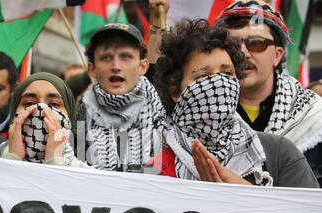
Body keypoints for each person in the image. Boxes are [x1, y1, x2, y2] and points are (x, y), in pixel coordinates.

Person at [153, 19, 318, 188]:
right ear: (175, 91)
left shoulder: (278, 153)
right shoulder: (150, 156)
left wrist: (244, 194)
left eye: (226, 73)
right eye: (203, 77)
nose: (219, 83)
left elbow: (307, 212)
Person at [214, 0, 322, 186]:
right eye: (231, 45)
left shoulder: (314, 119)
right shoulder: (202, 115)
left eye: (255, 44)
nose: (242, 53)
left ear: (277, 55)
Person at [74, 22, 168, 172]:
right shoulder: (84, 113)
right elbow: (78, 171)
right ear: (92, 69)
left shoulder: (163, 111)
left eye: (126, 56)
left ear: (142, 66)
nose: (116, 66)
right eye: (106, 57)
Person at [0, 72, 89, 168]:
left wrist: (54, 161)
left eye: (54, 104)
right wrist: (12, 159)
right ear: (13, 112)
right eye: (29, 103)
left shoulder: (86, 175)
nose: (40, 109)